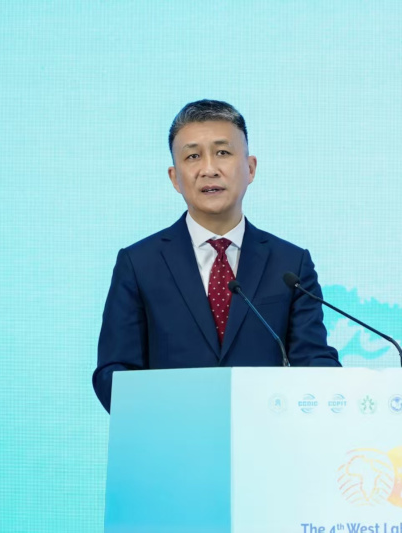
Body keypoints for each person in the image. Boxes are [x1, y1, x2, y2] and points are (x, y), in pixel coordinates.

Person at [93, 99, 340, 412]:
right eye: (193, 156)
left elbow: (313, 360)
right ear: (174, 177)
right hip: (172, 435)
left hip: (264, 436)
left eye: (222, 152)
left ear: (250, 168)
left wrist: (341, 394)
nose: (209, 169)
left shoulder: (290, 265)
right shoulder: (139, 263)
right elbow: (114, 371)